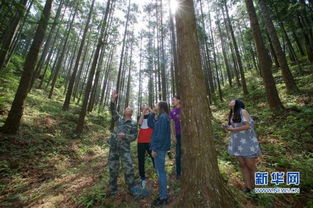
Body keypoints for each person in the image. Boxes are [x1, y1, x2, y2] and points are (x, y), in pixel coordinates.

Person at [107, 90, 149, 198]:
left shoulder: (133, 124)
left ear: (131, 113)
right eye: (126, 108)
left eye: (129, 109)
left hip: (125, 150)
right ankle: (112, 190)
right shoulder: (118, 120)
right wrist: (113, 99)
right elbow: (113, 110)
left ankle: (132, 188)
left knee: (129, 168)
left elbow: (134, 136)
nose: (127, 109)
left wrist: (125, 136)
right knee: (113, 169)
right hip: (114, 148)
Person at [222, 99, 262, 193]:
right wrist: (226, 127)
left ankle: (258, 188)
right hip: (237, 143)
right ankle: (248, 187)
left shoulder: (243, 111)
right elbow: (232, 128)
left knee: (251, 165)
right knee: (243, 165)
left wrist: (233, 129)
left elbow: (248, 126)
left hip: (247, 143)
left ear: (237, 103)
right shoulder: (232, 114)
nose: (230, 103)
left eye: (232, 101)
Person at [148, 101, 171, 207]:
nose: (155, 105)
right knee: (160, 172)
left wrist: (154, 149)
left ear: (161, 107)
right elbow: (150, 124)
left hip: (159, 149)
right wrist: (152, 113)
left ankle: (164, 197)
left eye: (156, 105)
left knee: (161, 173)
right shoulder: (161, 117)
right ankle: (163, 194)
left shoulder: (163, 117)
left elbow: (160, 136)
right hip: (160, 148)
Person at [137, 104, 154, 188]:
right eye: (143, 106)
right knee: (141, 159)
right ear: (141, 109)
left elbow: (156, 115)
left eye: (145, 106)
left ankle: (159, 175)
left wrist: (149, 108)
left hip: (150, 141)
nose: (145, 107)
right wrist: (143, 112)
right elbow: (139, 123)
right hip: (141, 141)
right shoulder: (140, 116)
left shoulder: (151, 115)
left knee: (154, 157)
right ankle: (142, 178)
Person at [170, 96, 182, 179]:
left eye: (173, 100)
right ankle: (178, 173)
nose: (172, 101)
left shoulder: (184, 109)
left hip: (187, 136)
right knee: (178, 155)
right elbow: (171, 124)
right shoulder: (172, 112)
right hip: (177, 135)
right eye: (172, 100)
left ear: (179, 100)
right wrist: (173, 135)